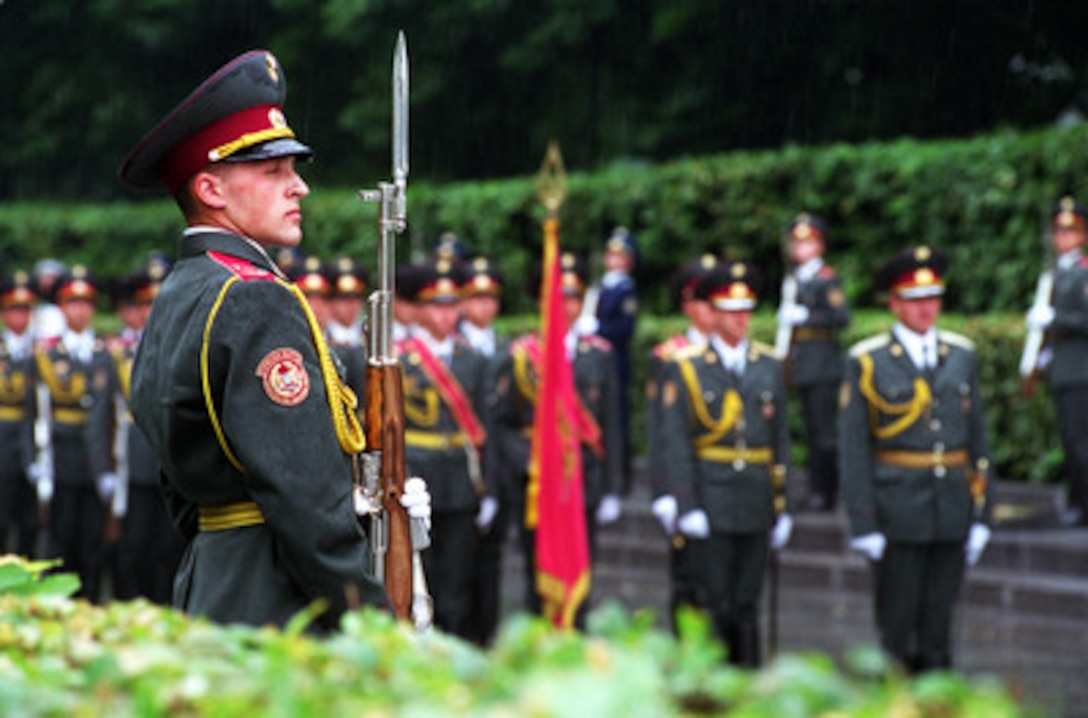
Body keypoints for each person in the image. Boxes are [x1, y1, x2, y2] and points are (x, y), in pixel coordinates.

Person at [117, 49, 428, 630]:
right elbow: (304, 500)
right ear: (210, 188)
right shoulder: (256, 299)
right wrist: (373, 624)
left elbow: (183, 483)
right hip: (280, 601)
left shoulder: (184, 289)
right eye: (273, 172)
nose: (300, 187)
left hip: (216, 578)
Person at [839, 245, 994, 673]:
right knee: (898, 627)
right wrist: (863, 521)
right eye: (913, 300)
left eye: (932, 299)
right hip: (898, 509)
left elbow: (977, 438)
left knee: (939, 628)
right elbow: (854, 448)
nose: (925, 309)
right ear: (893, 304)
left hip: (950, 507)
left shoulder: (960, 354)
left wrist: (984, 512)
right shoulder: (868, 361)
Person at [656, 261, 792, 667]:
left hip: (754, 497)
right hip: (710, 496)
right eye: (730, 310)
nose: (739, 319)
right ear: (712, 314)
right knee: (714, 602)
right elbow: (676, 441)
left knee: (748, 602)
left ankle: (748, 685)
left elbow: (778, 438)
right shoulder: (687, 367)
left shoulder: (768, 364)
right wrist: (685, 503)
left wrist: (782, 505)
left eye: (746, 309)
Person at [494, 252, 624, 624]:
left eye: (573, 297)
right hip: (538, 484)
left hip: (583, 478)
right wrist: (529, 459)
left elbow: (611, 424)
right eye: (557, 296)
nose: (565, 305)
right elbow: (502, 423)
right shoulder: (520, 356)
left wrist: (614, 486)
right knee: (540, 578)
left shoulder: (597, 356)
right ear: (540, 300)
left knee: (582, 570)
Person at [398, 258, 494, 640]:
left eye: (452, 305)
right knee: (425, 575)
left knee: (458, 578)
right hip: (418, 473)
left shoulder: (474, 359)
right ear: (420, 311)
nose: (445, 314)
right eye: (436, 306)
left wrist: (491, 487)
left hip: (460, 477)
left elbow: (486, 429)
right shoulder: (402, 358)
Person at [95, 262, 182, 604]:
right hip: (135, 464)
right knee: (134, 548)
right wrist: (104, 467)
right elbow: (104, 419)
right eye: (147, 304)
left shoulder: (182, 349)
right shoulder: (119, 354)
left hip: (175, 464)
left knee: (171, 549)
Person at [33, 265, 117, 602]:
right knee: (61, 542)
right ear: (61, 308)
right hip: (62, 461)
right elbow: (37, 413)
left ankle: (92, 608)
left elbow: (112, 414)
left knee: (94, 546)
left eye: (85, 303)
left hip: (97, 465)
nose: (79, 310)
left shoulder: (106, 354)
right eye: (71, 303)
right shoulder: (49, 354)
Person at [646, 253, 720, 632]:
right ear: (687, 304)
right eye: (701, 300)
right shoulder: (668, 356)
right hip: (684, 480)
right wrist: (663, 490)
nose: (709, 310)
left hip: (725, 482)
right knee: (688, 578)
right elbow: (660, 430)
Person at [775, 213, 850, 511]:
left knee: (823, 433)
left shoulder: (825, 279)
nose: (800, 248)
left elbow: (841, 317)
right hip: (804, 362)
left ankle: (827, 492)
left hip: (822, 363)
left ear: (819, 246)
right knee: (809, 429)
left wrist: (807, 316)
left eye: (807, 242)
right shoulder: (796, 279)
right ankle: (815, 487)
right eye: (797, 243)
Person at [1024, 196, 1088, 526]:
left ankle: (1084, 505)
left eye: (1071, 232)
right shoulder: (1056, 273)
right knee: (1069, 440)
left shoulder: (1082, 273)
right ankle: (1077, 500)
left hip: (1081, 370)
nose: (1063, 238)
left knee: (1081, 442)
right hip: (1064, 368)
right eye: (1059, 232)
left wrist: (1054, 319)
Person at [457, 254, 508, 645]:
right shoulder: (451, 350)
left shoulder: (509, 349)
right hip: (459, 471)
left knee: (492, 561)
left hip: (503, 467)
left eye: (490, 298)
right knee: (457, 565)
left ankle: (486, 636)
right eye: (475, 298)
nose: (483, 306)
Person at [594, 227, 639, 492]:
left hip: (616, 360)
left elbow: (625, 328)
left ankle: (621, 479)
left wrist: (598, 329)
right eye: (611, 255)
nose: (614, 260)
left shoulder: (626, 289)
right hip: (599, 360)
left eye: (620, 256)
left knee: (617, 418)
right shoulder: (603, 285)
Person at [0, 271, 40, 557]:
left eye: (25, 309)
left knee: (31, 527)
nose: (20, 316)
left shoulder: (43, 351)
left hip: (33, 449)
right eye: (14, 309)